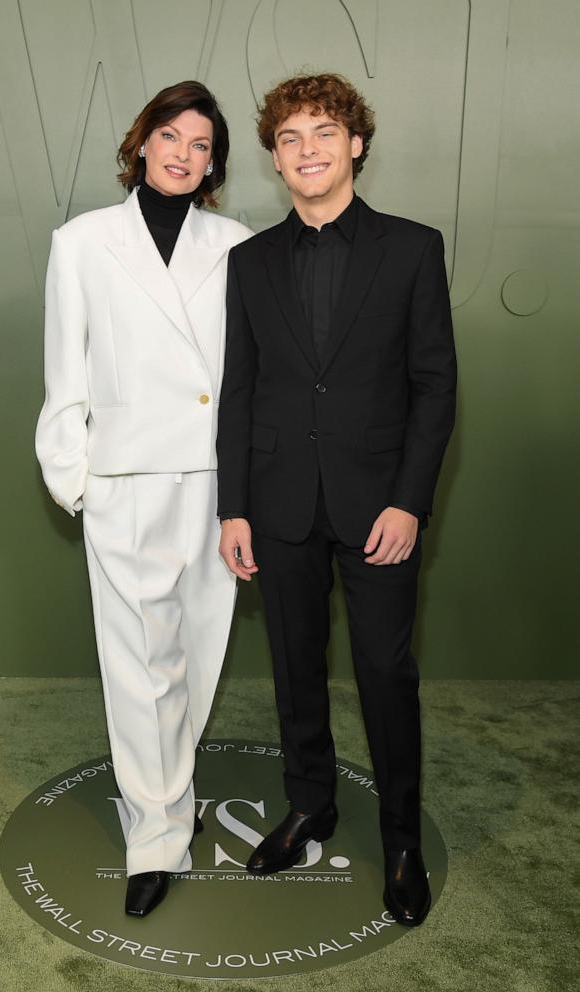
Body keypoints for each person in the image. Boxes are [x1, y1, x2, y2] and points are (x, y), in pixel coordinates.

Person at [216, 72, 456, 927]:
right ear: (274, 158)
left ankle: (399, 840)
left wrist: (409, 503)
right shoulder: (247, 262)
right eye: (289, 137)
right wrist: (232, 507)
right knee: (293, 669)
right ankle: (309, 805)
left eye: (323, 131)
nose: (307, 149)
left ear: (355, 143)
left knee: (386, 675)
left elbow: (434, 388)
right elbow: (238, 389)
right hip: (277, 504)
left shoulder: (412, 248)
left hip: (378, 508)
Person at [35, 80, 253, 918]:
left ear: (213, 164)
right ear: (141, 142)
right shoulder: (83, 241)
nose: (182, 153)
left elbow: (247, 381)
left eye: (201, 145)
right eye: (170, 134)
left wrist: (247, 488)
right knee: (139, 664)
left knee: (196, 652)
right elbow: (66, 367)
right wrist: (76, 475)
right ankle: (156, 834)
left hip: (212, 483)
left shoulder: (237, 243)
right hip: (125, 478)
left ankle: (172, 787)